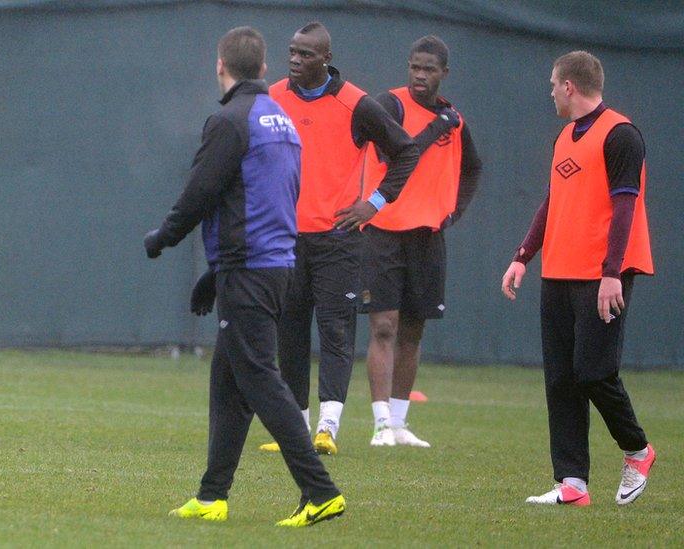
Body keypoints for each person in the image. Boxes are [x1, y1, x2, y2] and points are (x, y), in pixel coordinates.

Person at [145, 26, 345, 527]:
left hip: (253, 270)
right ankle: (213, 495)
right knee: (228, 382)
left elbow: (201, 192)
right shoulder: (280, 119)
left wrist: (163, 237)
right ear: (263, 69)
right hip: (273, 263)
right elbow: (268, 199)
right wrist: (217, 274)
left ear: (221, 66)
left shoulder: (230, 119)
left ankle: (319, 491)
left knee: (258, 378)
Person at [501, 50, 655, 506]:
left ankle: (638, 450)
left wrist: (612, 273)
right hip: (560, 272)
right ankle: (572, 483)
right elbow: (552, 203)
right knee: (561, 379)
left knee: (594, 373)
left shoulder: (621, 135)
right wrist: (523, 256)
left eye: (553, 84)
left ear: (569, 86)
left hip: (602, 274)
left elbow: (626, 206)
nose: (550, 91)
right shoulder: (564, 136)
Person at [260, 22, 418, 455]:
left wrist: (375, 202)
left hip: (338, 238)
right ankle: (295, 429)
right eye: (291, 51)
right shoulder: (272, 98)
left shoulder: (357, 105)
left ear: (326, 58)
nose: (295, 60)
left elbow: (407, 152)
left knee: (335, 331)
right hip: (286, 239)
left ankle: (328, 427)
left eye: (305, 54)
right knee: (290, 332)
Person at [360, 35, 482, 447]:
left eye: (428, 69)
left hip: (427, 237)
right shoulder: (389, 105)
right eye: (414, 66)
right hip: (383, 232)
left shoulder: (455, 120)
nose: (419, 75)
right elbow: (391, 154)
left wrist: (454, 209)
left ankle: (398, 423)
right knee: (383, 327)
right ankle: (379, 426)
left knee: (413, 330)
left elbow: (472, 170)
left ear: (443, 74)